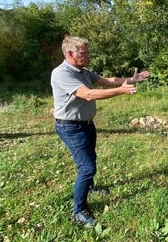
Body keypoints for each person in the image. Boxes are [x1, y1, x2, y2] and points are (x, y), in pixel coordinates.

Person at [51, 36, 150, 227]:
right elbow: (87, 94)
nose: (88, 56)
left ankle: (90, 187)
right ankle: (79, 211)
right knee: (87, 167)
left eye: (88, 52)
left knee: (91, 159)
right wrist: (121, 91)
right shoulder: (62, 73)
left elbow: (108, 80)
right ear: (70, 54)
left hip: (86, 124)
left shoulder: (83, 71)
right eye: (84, 53)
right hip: (70, 126)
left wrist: (132, 79)